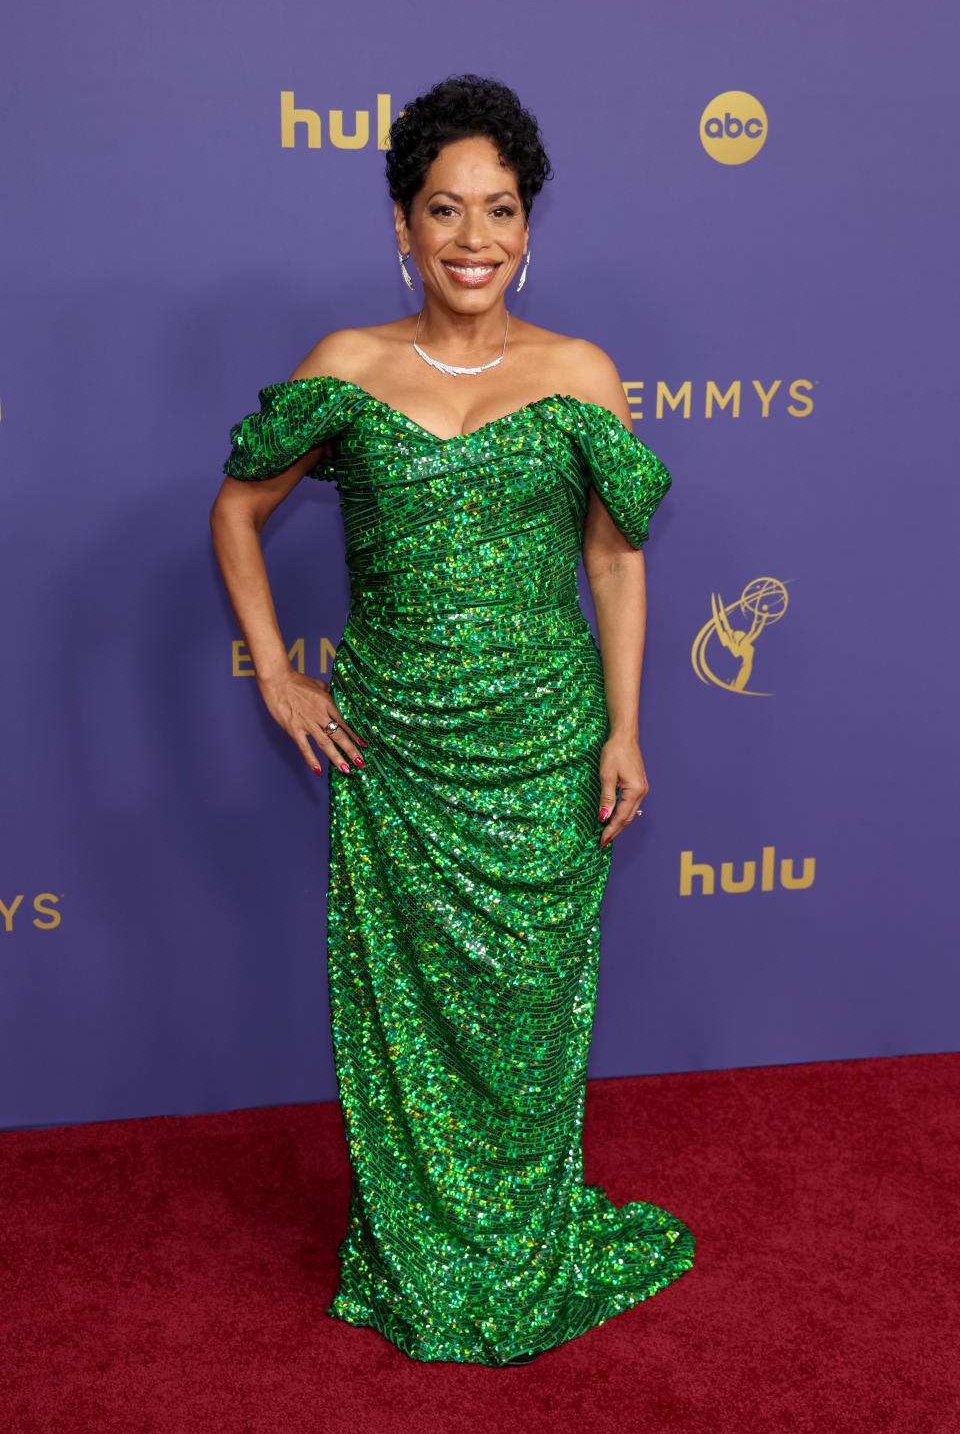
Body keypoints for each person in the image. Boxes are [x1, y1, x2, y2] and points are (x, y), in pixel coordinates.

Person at [209, 73, 694, 1368]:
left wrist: (625, 730)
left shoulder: (580, 373)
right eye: (444, 209)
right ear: (403, 225)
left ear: (528, 227)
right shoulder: (347, 369)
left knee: (528, 1026)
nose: (473, 237)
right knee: (407, 1031)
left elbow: (615, 561)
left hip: (545, 743)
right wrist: (278, 674)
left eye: (500, 209)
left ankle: (522, 1241)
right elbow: (237, 510)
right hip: (398, 758)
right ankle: (423, 1256)